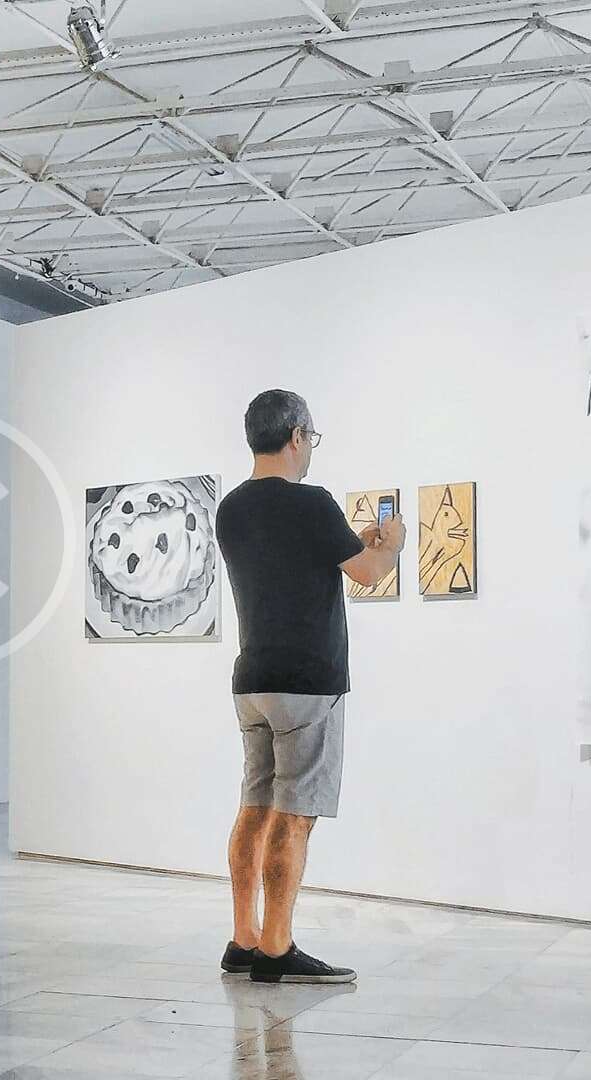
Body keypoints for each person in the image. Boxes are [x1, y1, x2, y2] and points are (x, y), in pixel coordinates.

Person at [212, 389, 403, 983]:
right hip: (307, 683)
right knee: (294, 817)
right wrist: (392, 545)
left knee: (254, 807)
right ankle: (277, 948)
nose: (311, 448)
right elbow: (369, 573)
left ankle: (243, 938)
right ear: (296, 436)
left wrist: (349, 541)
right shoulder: (313, 503)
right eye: (311, 438)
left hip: (253, 680)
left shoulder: (230, 510)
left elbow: (291, 562)